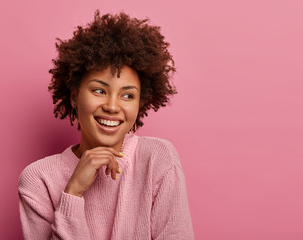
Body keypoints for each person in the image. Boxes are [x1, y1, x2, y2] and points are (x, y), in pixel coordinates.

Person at [18, 10, 194, 240]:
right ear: (74, 96)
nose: (112, 106)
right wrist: (73, 194)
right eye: (99, 91)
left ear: (140, 103)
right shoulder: (37, 179)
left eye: (128, 95)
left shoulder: (159, 159)